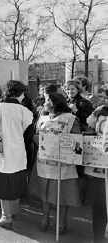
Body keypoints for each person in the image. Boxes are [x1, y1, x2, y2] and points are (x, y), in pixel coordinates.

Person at [29, 92, 82, 235]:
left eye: (46, 100)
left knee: (63, 194)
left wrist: (59, 140)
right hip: (45, 162)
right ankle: (45, 219)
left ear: (54, 103)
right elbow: (35, 136)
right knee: (46, 193)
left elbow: (76, 139)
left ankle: (62, 221)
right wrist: (38, 138)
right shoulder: (43, 118)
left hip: (63, 163)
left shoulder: (70, 118)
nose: (44, 103)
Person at [0, 80, 33, 227]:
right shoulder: (25, 111)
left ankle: (6, 216)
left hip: (1, 150)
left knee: (4, 184)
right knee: (17, 182)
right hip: (18, 151)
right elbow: (29, 135)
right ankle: (15, 212)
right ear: (21, 94)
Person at [85, 86, 108, 243]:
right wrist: (96, 111)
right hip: (97, 162)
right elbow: (90, 123)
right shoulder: (102, 112)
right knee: (98, 204)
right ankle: (98, 238)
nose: (104, 99)